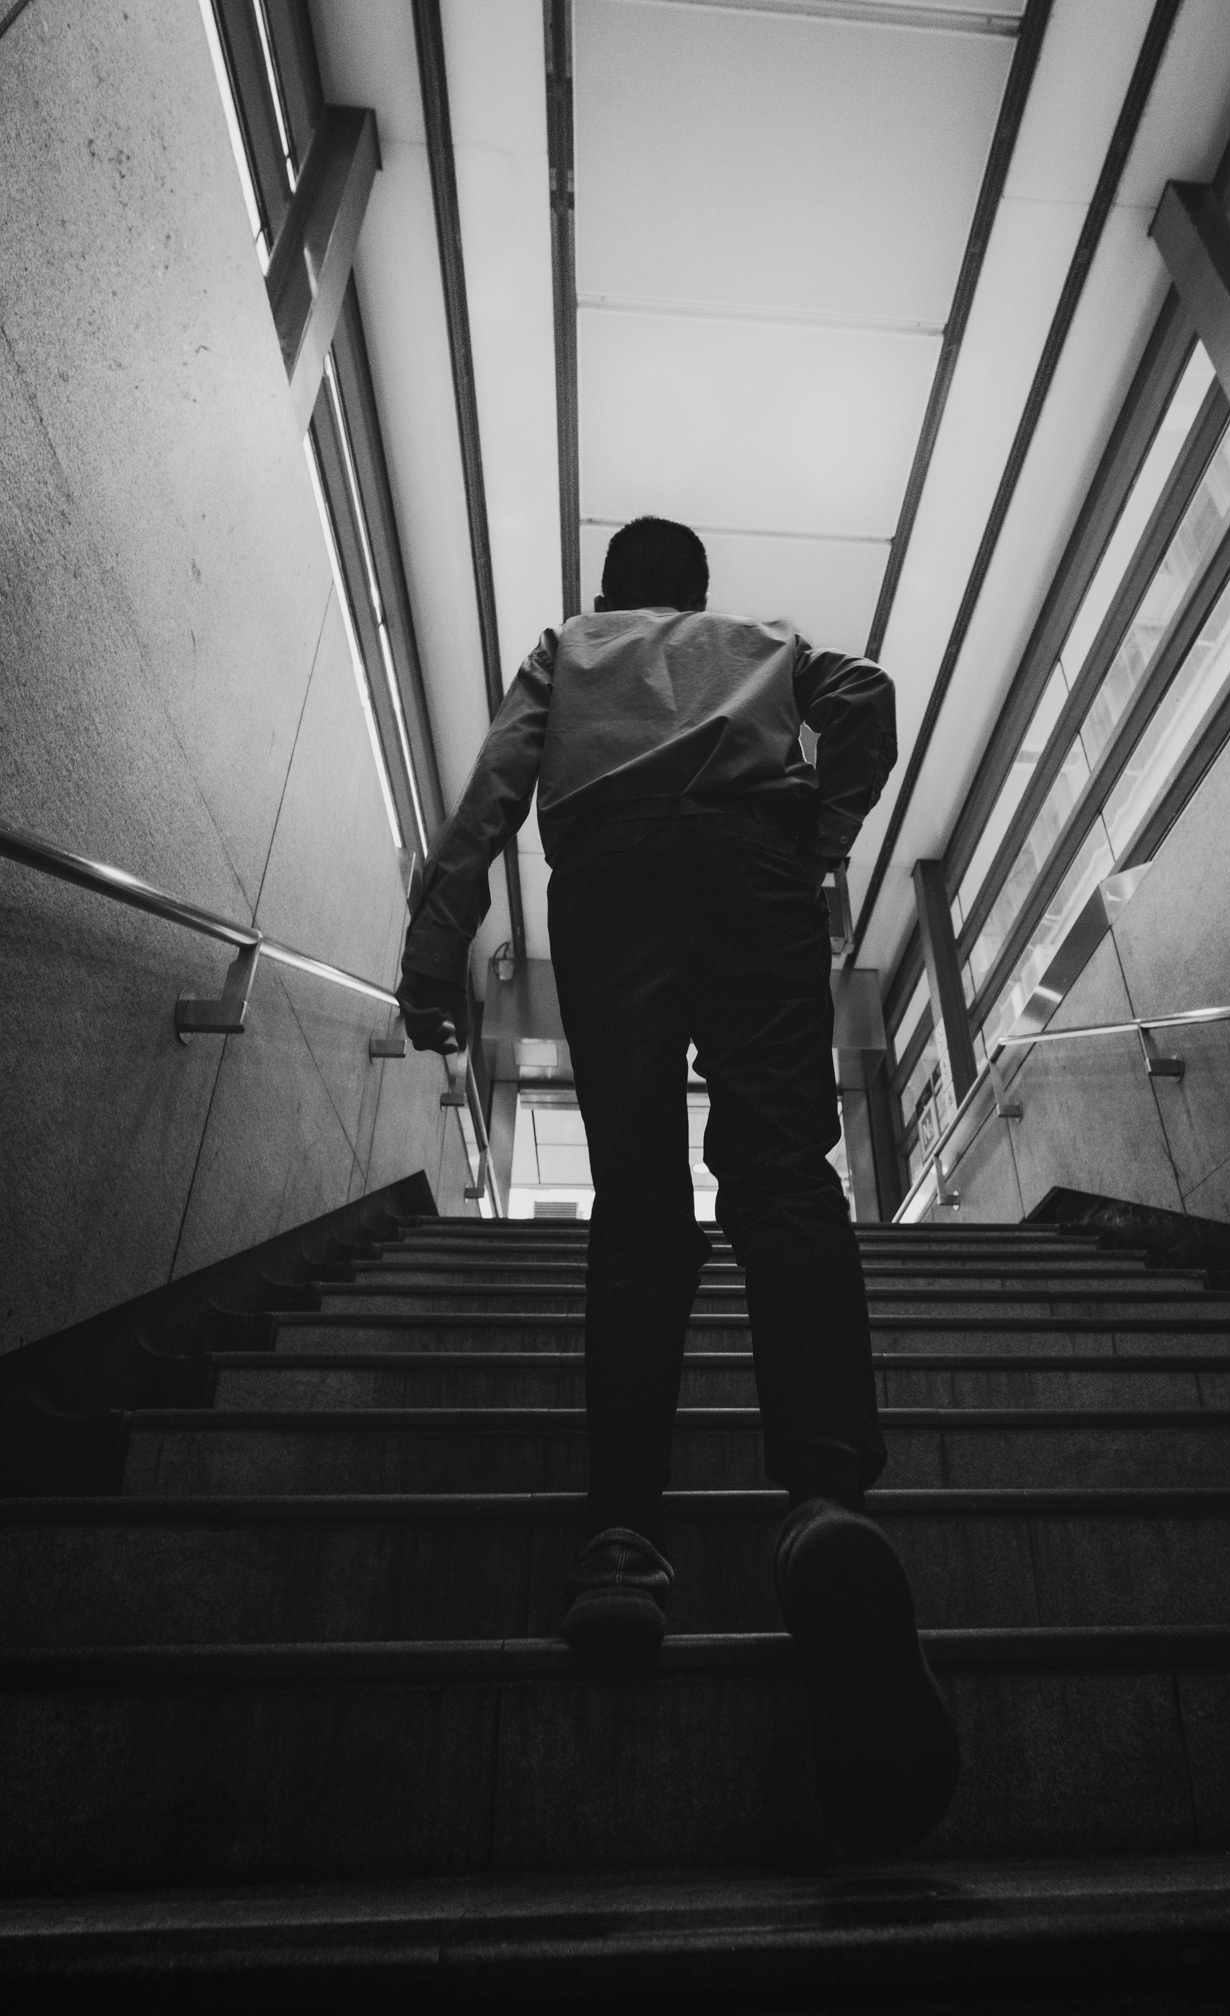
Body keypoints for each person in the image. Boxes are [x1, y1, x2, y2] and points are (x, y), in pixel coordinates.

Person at [398, 516, 958, 1852]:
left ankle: (622, 1549)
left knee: (640, 1203)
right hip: (753, 862)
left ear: (609, 592)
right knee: (781, 1173)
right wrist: (816, 832)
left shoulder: (570, 648)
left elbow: (491, 793)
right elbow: (867, 696)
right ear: (698, 593)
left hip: (612, 872)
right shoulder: (760, 643)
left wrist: (436, 945)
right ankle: (824, 1495)